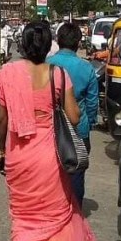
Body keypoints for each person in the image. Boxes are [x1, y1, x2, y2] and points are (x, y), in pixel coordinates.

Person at [0, 21, 100, 241]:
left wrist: (1, 151)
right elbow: (73, 117)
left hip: (18, 156)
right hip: (49, 157)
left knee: (23, 215)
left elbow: (2, 120)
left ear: (23, 44)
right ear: (47, 46)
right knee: (53, 215)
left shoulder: (5, 74)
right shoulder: (58, 74)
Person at [47, 23, 100, 207]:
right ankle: (75, 211)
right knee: (76, 175)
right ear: (78, 43)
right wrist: (89, 123)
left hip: (50, 129)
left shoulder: (46, 65)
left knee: (52, 175)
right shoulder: (86, 68)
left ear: (58, 40)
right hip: (79, 130)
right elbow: (92, 103)